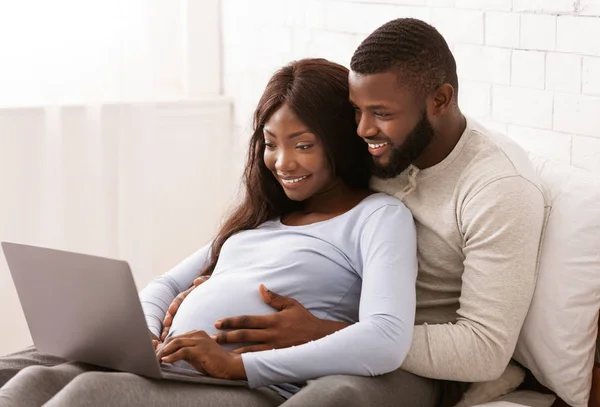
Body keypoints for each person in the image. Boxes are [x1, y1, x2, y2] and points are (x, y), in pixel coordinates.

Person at [163, 18, 547, 406]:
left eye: (380, 112)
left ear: (440, 100)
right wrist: (218, 280)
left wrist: (327, 331)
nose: (362, 130)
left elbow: (483, 348)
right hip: (324, 336)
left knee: (337, 395)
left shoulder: (498, 191)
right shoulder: (379, 149)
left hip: (409, 367)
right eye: (356, 110)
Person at [0, 58, 418, 406]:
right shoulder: (261, 221)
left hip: (248, 386)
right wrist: (144, 335)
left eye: (303, 144)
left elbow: (385, 338)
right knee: (29, 384)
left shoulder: (377, 217)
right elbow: (166, 284)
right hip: (171, 368)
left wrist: (236, 365)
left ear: (340, 142)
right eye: (271, 143)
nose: (283, 162)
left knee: (91, 395)